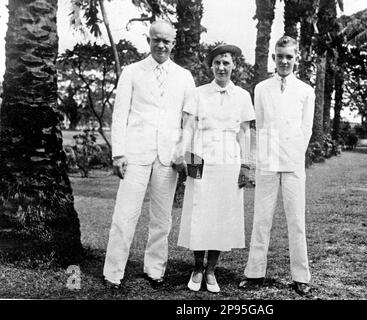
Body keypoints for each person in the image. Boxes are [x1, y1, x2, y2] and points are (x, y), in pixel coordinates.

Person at [102, 20, 196, 290]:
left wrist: (182, 151)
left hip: (168, 157)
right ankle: (113, 272)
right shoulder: (132, 72)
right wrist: (118, 153)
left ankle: (155, 270)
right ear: (149, 40)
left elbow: (189, 119)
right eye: (157, 40)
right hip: (135, 154)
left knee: (162, 218)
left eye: (166, 41)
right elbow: (119, 115)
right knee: (124, 215)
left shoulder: (184, 76)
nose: (161, 45)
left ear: (173, 43)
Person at [238, 36, 316, 298]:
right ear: (273, 58)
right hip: (268, 162)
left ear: (296, 59)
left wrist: (294, 156)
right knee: (262, 219)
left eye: (289, 57)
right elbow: (258, 126)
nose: (284, 61)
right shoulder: (261, 88)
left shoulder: (306, 91)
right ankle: (254, 273)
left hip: (293, 164)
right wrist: (261, 157)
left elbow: (306, 130)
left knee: (297, 221)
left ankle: (301, 277)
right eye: (280, 56)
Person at [177, 44, 255, 293]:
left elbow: (245, 133)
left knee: (222, 216)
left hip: (229, 163)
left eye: (226, 62)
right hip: (201, 158)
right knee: (200, 213)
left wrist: (246, 165)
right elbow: (188, 128)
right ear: (211, 66)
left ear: (234, 66)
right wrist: (188, 159)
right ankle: (197, 267)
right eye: (217, 63)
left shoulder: (243, 96)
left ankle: (212, 269)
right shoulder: (198, 93)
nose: (222, 67)